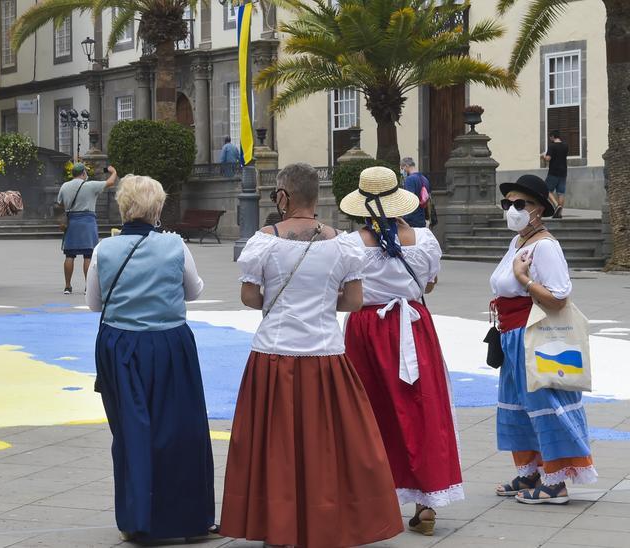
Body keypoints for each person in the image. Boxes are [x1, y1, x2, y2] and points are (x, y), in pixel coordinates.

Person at [222, 163, 402, 547]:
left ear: (283, 196)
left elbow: (250, 296)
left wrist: (284, 300)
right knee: (327, 444)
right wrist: (319, 300)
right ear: (315, 198)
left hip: (273, 352)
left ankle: (277, 522)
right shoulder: (343, 243)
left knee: (274, 445)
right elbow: (354, 301)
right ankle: (328, 519)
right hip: (324, 354)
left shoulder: (264, 241)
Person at [85, 175, 214, 543]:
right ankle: (189, 519)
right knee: (181, 429)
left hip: (121, 346)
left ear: (124, 208)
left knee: (131, 432)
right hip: (169, 343)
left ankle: (137, 519)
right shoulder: (175, 246)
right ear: (157, 209)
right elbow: (194, 291)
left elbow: (94, 303)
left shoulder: (103, 250)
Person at [340, 167, 463, 536]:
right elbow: (428, 283)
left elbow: (344, 292)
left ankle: (370, 499)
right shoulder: (424, 239)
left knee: (368, 411)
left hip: (367, 328)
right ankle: (426, 503)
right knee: (422, 408)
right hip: (413, 325)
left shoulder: (349, 245)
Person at [491, 174, 594, 504]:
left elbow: (560, 297)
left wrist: (523, 279)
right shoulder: (519, 241)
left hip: (533, 335)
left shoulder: (545, 245)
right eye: (508, 204)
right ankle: (530, 472)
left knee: (543, 404)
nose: (512, 209)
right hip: (512, 335)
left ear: (539, 210)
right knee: (520, 407)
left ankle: (555, 481)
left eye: (521, 204)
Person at [57, 163, 117, 295]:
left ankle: (67, 286)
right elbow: (110, 183)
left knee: (69, 255)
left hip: (71, 222)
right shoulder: (90, 185)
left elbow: (60, 204)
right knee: (88, 255)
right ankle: (88, 287)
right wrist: (113, 172)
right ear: (83, 173)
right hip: (87, 222)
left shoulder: (65, 186)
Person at [542, 130, 569, 218]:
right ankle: (559, 213)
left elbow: (548, 159)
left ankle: (557, 205)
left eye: (550, 137)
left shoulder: (552, 146)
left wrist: (543, 157)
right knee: (561, 193)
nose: (550, 139)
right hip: (563, 172)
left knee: (546, 189)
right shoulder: (565, 146)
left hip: (553, 172)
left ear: (553, 136)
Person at [400, 157, 432, 228]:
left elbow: (410, 199)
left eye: (403, 168)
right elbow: (428, 199)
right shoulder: (425, 179)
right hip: (421, 217)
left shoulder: (410, 179)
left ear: (406, 166)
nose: (403, 171)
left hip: (411, 219)